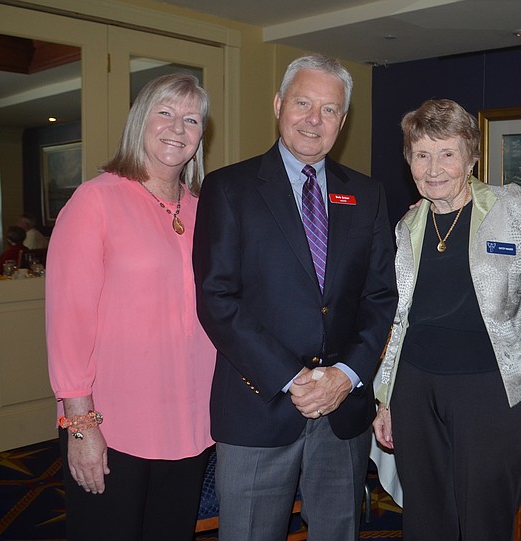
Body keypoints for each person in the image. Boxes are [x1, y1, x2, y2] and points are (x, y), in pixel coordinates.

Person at [193, 54, 397, 541]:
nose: (314, 119)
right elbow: (217, 299)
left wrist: (345, 376)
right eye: (303, 103)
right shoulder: (229, 188)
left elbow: (380, 297)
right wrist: (294, 378)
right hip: (257, 407)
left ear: (343, 122)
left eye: (329, 110)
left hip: (341, 411)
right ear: (279, 104)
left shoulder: (366, 195)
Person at [46, 73, 216, 541]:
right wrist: (80, 426)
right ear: (140, 119)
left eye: (190, 119)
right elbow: (68, 323)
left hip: (190, 420)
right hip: (112, 423)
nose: (177, 129)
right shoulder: (95, 201)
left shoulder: (207, 209)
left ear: (202, 135)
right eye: (164, 113)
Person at [372, 99, 521, 540]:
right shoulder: (407, 227)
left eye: (447, 153)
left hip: (488, 390)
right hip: (415, 390)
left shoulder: (513, 208)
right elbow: (399, 320)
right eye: (421, 155)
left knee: (486, 521)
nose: (434, 168)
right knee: (425, 519)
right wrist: (386, 397)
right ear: (408, 161)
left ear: (472, 157)